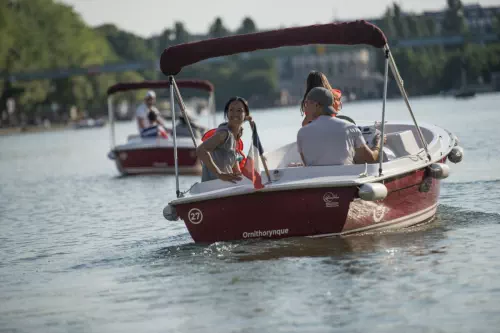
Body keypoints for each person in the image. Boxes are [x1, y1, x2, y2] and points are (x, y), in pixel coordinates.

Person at [297, 87, 382, 166]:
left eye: (306, 103)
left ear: (317, 105)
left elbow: (306, 164)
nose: (305, 108)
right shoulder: (350, 128)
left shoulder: (302, 133)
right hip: (346, 179)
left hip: (315, 181)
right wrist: (378, 144)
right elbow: (369, 159)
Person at [196, 97, 250, 183]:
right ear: (227, 113)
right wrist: (219, 174)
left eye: (239, 110)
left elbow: (237, 171)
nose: (235, 113)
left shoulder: (235, 136)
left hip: (226, 186)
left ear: (246, 115)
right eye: (231, 110)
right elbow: (200, 150)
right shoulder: (224, 134)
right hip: (212, 188)